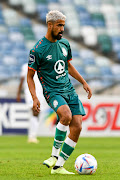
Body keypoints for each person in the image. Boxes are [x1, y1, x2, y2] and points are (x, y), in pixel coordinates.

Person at [27, 10, 92, 174]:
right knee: (66, 116)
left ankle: (58, 167)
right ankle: (53, 156)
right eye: (60, 25)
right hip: (53, 91)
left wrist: (83, 82)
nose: (62, 29)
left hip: (69, 90)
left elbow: (68, 66)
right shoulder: (37, 50)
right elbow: (30, 77)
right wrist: (35, 97)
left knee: (77, 127)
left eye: (63, 25)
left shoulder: (65, 44)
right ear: (50, 25)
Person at [17, 63, 45, 143]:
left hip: (41, 93)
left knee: (37, 113)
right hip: (30, 92)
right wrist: (18, 93)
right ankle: (32, 136)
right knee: (35, 111)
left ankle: (32, 135)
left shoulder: (43, 65)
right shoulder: (26, 66)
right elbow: (22, 80)